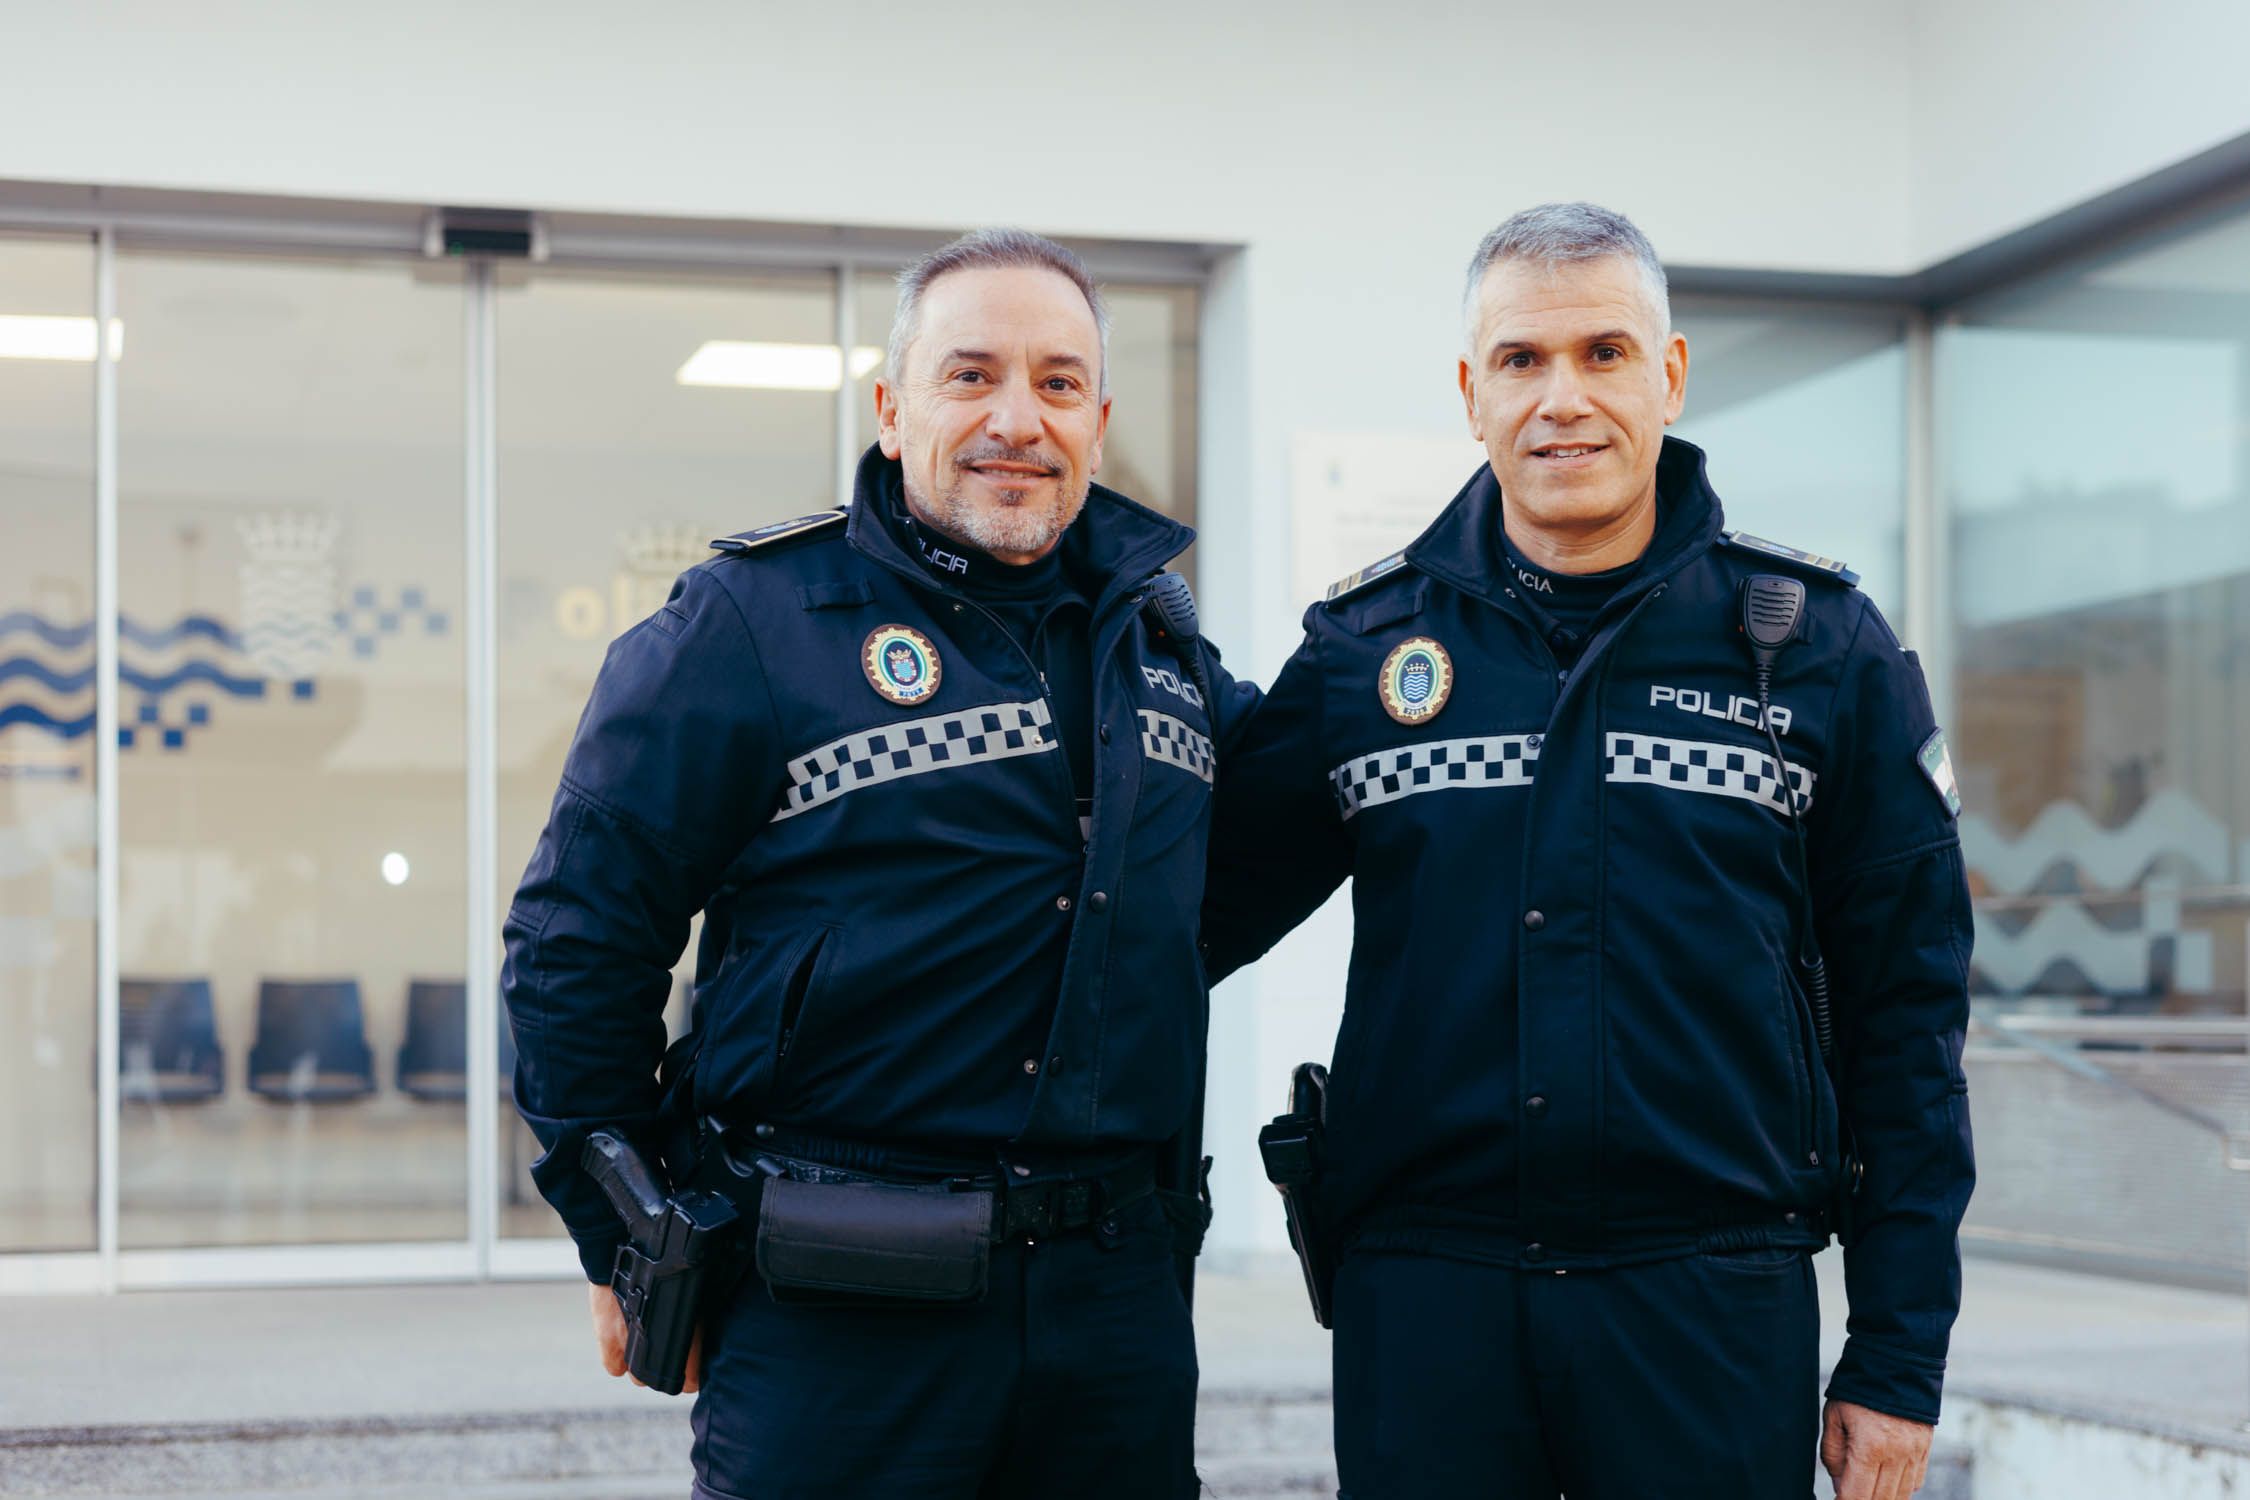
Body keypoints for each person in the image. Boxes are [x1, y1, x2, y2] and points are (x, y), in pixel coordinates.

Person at [1205, 203, 1974, 1500]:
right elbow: (1168, 917)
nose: (1562, 396)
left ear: (1667, 376)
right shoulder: (1361, 656)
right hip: (1424, 1305)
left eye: (1603, 353)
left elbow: (1908, 1019)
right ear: (1471, 393)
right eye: (1520, 360)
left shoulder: (1818, 652)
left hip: (1711, 1302)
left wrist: (1896, 1354)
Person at [502, 227, 1252, 1500]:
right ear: (893, 408)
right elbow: (579, 941)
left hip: (1111, 1318)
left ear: (1100, 419)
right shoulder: (749, 624)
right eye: (972, 376)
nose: (1018, 416)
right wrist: (622, 1235)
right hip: (836, 1310)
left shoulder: (1163, 650)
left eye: (1059, 384)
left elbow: (1218, 891)